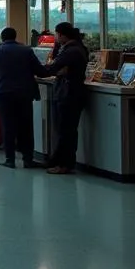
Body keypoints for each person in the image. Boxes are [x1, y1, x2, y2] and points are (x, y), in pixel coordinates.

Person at [0, 27, 44, 169]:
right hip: (24, 94)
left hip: (4, 94)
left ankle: (10, 159)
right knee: (26, 126)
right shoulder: (26, 50)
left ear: (2, 38)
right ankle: (28, 159)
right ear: (15, 36)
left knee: (7, 126)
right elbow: (39, 70)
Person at [41, 22, 90, 175]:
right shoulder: (78, 48)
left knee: (65, 130)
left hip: (68, 94)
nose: (55, 38)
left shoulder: (71, 51)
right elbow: (58, 67)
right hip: (73, 93)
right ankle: (62, 162)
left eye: (56, 35)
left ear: (61, 34)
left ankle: (63, 164)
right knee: (67, 130)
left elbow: (54, 67)